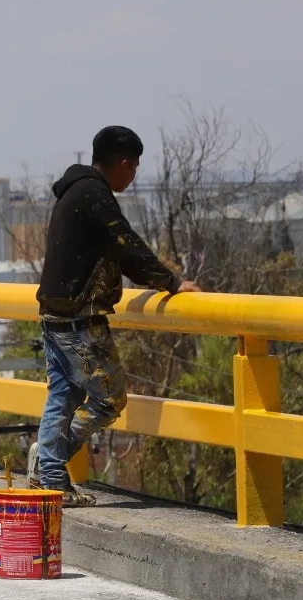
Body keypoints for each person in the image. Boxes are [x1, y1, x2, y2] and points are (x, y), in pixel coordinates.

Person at [33, 126, 202, 506]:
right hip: (80, 318)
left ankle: (50, 477)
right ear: (124, 163)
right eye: (135, 167)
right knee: (109, 401)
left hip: (55, 315)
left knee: (64, 393)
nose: (134, 174)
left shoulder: (74, 192)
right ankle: (49, 464)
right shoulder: (95, 194)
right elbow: (126, 246)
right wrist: (171, 282)